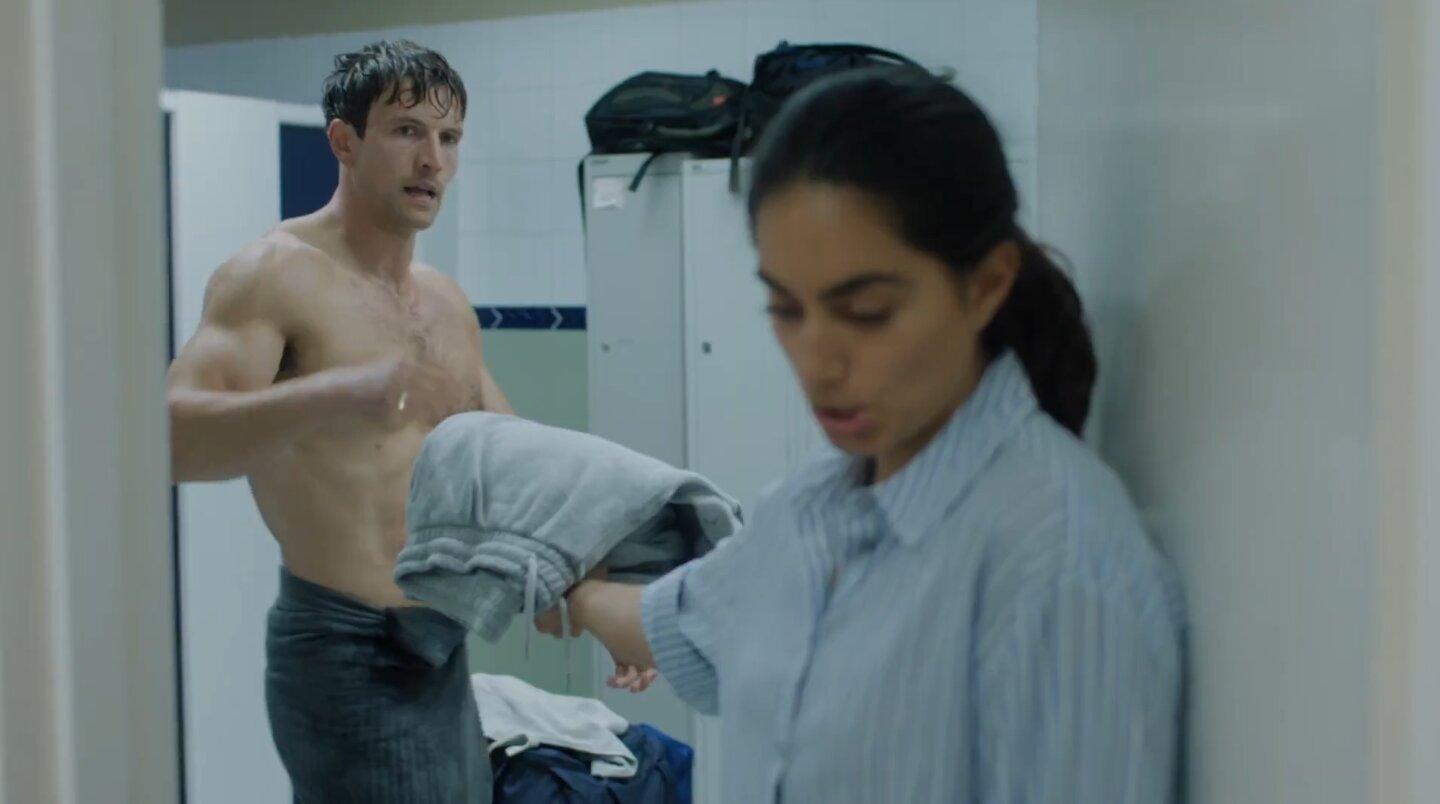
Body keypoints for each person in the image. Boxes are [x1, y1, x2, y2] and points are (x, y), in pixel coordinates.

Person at [544, 67, 1186, 802]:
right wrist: (569, 588)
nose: (817, 361)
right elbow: (685, 624)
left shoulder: (1066, 567)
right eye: (786, 309)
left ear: (985, 285)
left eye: (867, 311)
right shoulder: (811, 510)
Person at [166, 40, 508, 802]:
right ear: (344, 141)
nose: (433, 160)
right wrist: (332, 393)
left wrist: (583, 579)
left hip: (440, 642)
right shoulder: (274, 274)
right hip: (344, 644)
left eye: (449, 137)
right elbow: (174, 440)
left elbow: (507, 451)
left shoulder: (443, 301)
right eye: (407, 131)